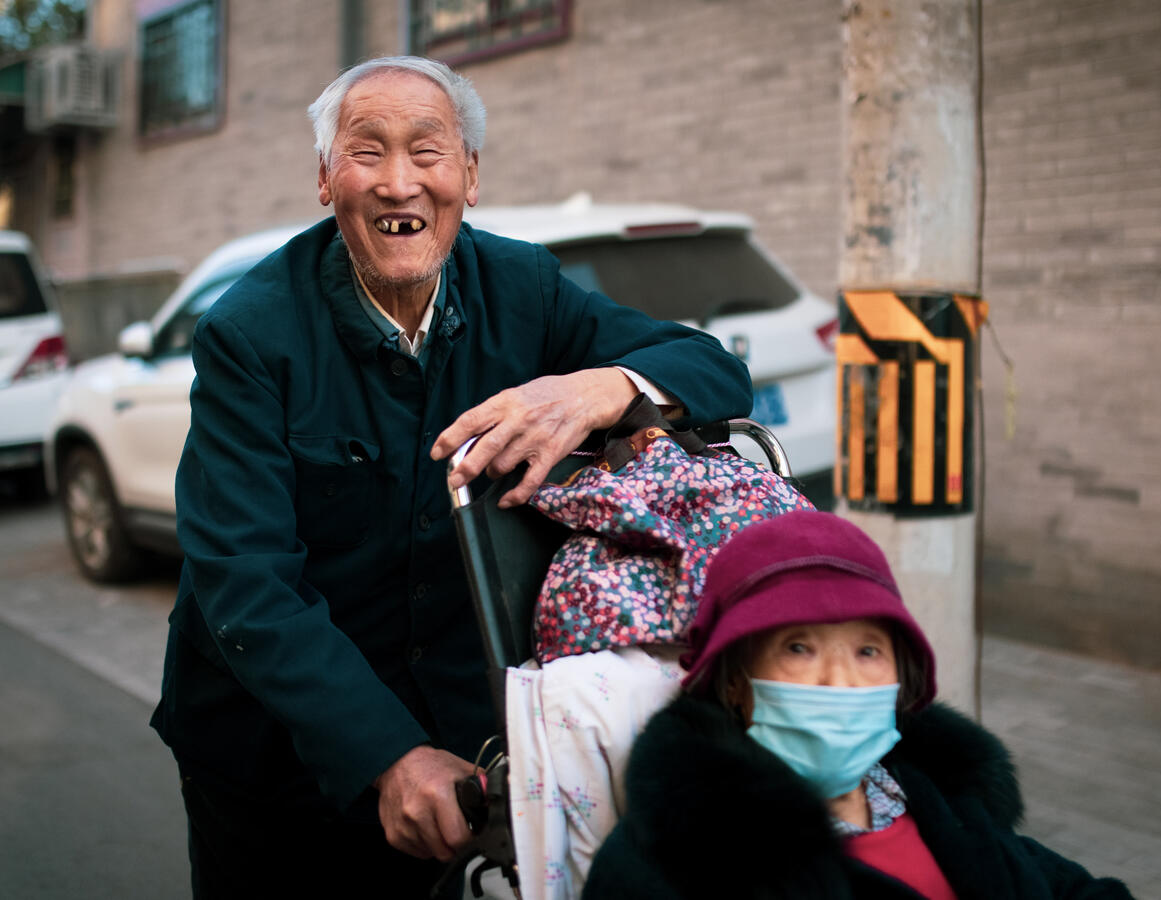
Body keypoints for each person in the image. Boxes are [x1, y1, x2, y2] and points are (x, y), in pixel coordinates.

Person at [149, 56, 751, 898]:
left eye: (427, 152)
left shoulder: (524, 287)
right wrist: (387, 754)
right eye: (367, 152)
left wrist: (596, 388)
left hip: (468, 747)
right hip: (275, 752)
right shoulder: (250, 334)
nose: (399, 183)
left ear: (469, 175)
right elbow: (245, 582)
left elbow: (711, 366)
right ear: (324, 178)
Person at [582, 510, 1135, 900]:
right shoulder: (668, 858)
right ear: (734, 684)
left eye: (868, 651)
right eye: (798, 648)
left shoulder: (944, 799)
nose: (840, 681)